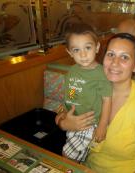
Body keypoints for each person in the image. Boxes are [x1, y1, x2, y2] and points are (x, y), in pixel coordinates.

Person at [56, 33, 135, 173]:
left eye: (124, 57)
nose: (115, 63)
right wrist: (63, 123)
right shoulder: (87, 82)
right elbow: (64, 108)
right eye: (110, 55)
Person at [55, 23, 112, 162]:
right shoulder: (72, 71)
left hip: (89, 123)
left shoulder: (101, 73)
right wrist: (64, 110)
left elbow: (107, 100)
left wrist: (102, 126)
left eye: (88, 47)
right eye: (76, 50)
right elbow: (72, 92)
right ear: (69, 52)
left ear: (97, 47)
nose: (83, 54)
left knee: (67, 156)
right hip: (73, 118)